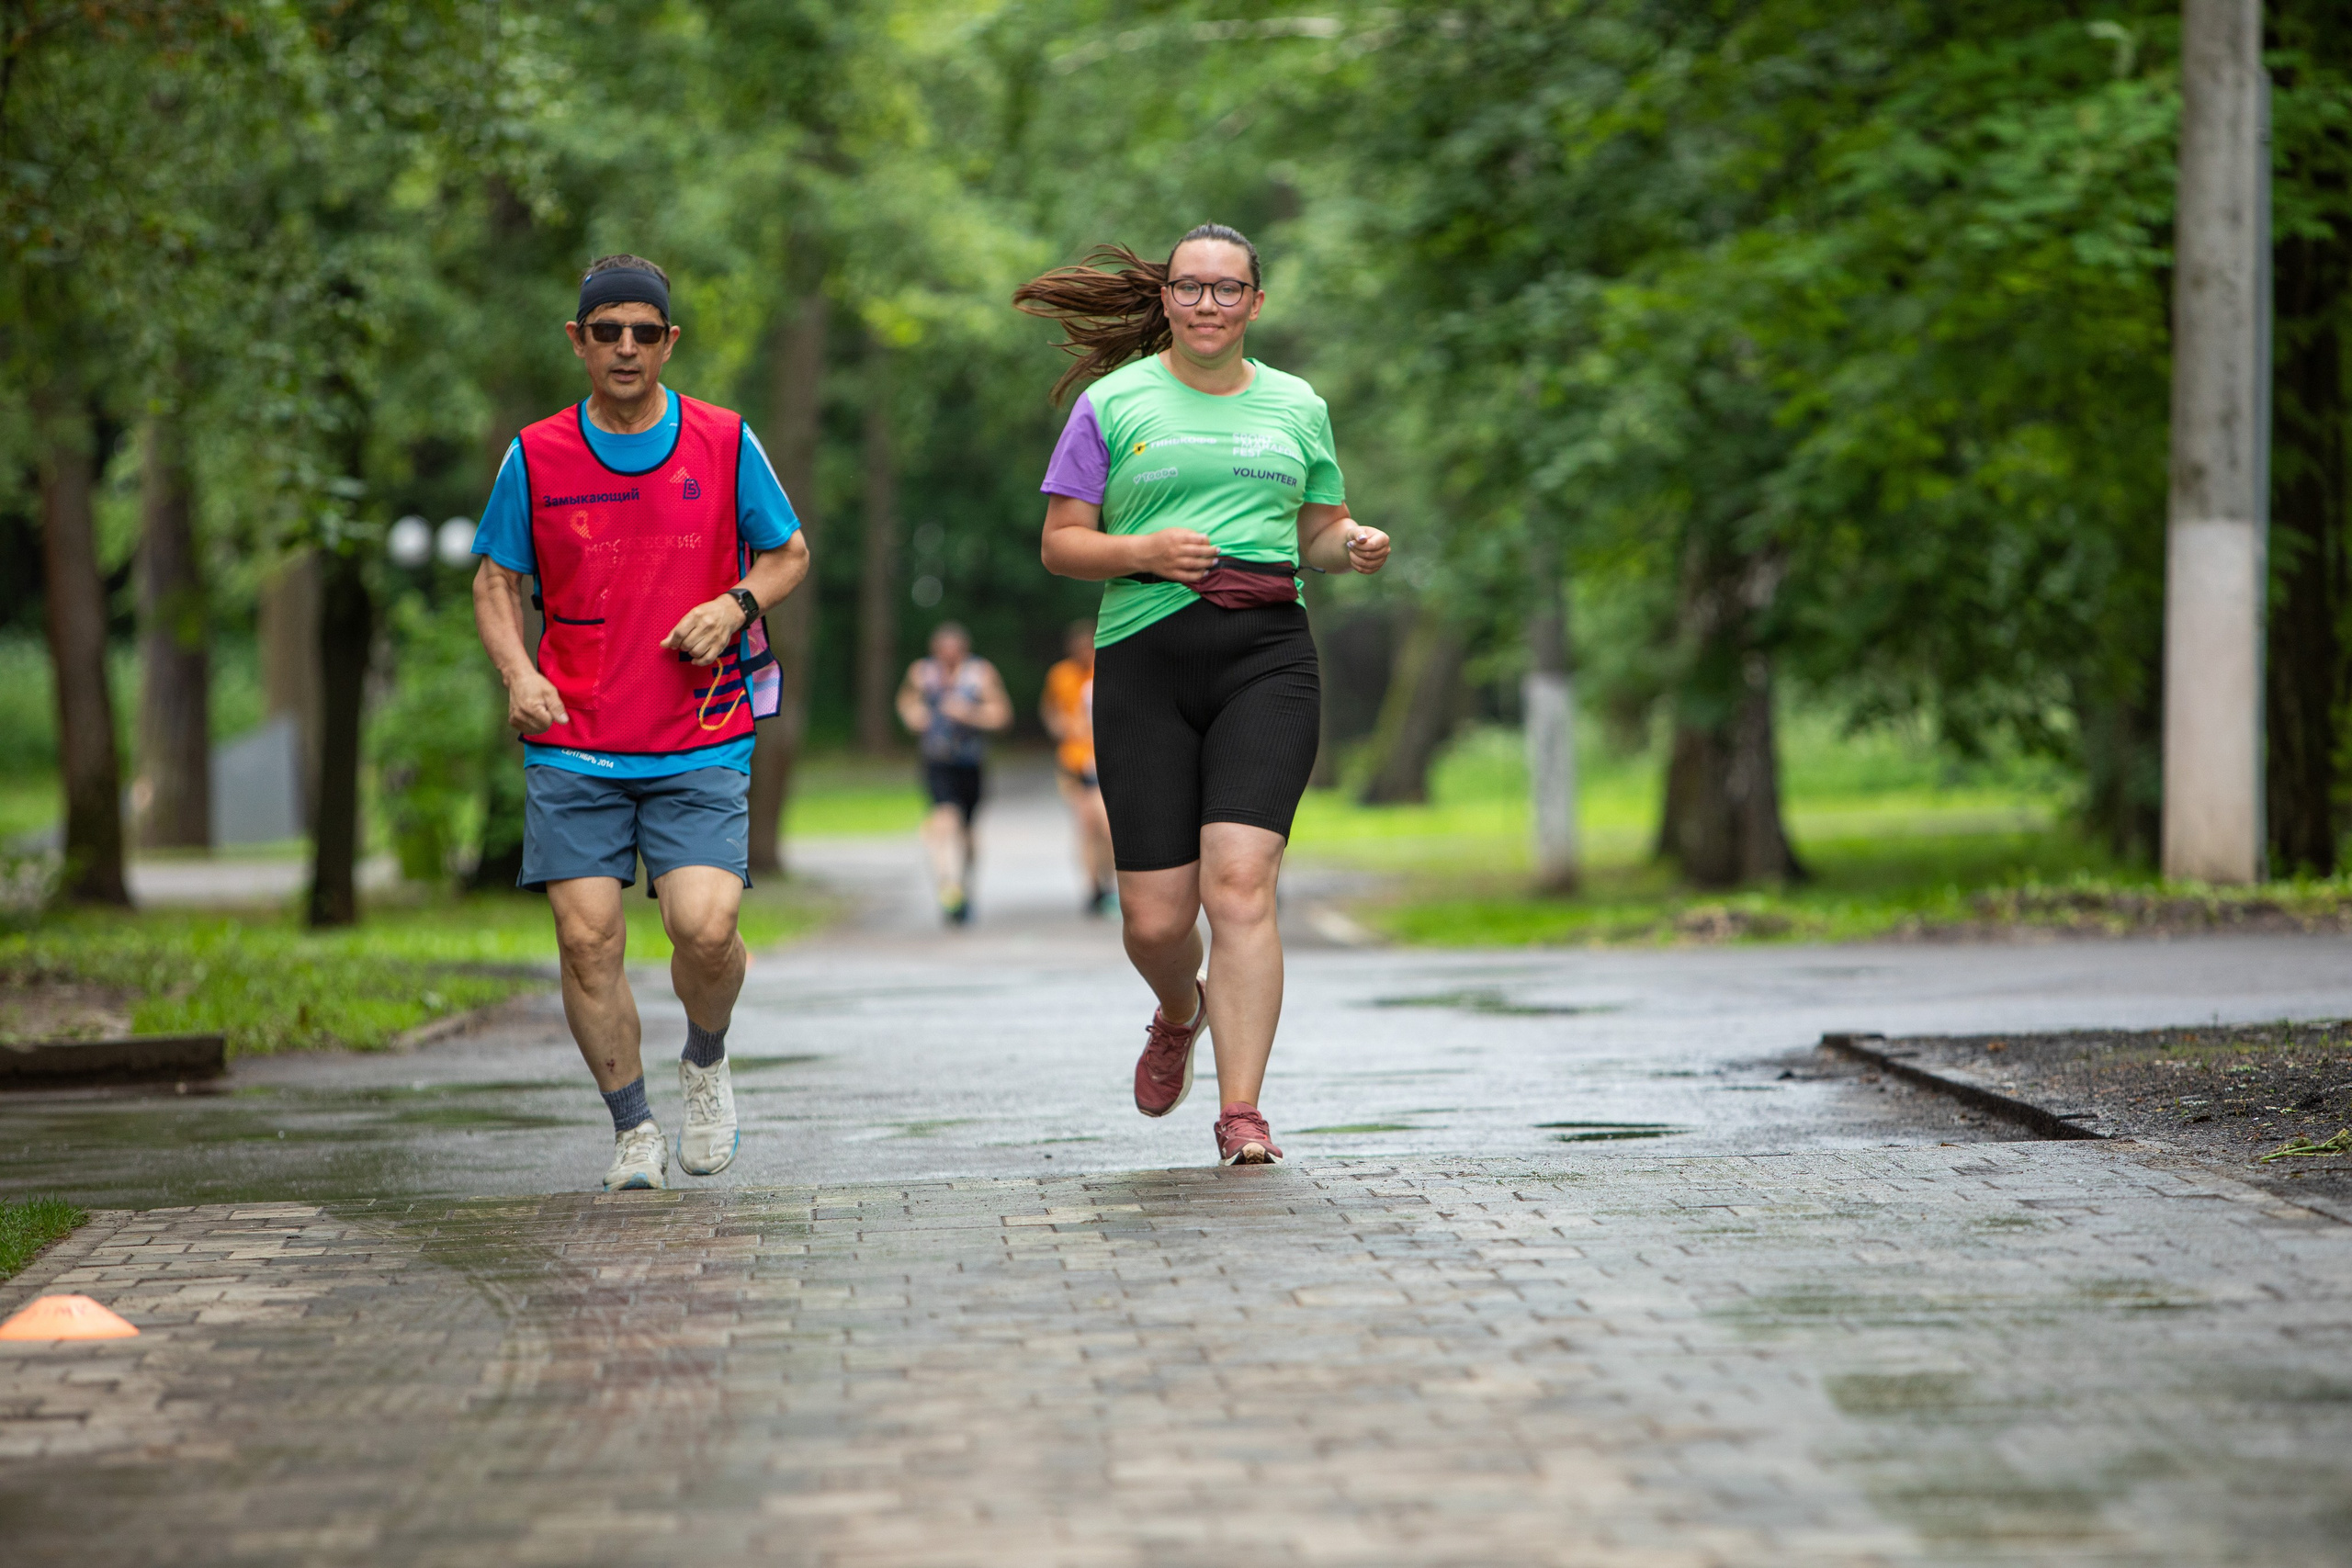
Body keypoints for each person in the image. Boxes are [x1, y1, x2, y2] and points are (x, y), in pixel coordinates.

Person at [1016, 222, 1391, 1166]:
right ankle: (1177, 1010)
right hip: (1144, 660)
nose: (1210, 304)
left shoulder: (1298, 405)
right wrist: (1142, 551)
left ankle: (1241, 1112)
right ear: (1167, 300)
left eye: (1229, 290)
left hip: (1268, 658)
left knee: (1240, 887)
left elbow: (1317, 529)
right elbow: (1063, 545)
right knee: (1154, 919)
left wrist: (1348, 546)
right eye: (1192, 288)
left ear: (1255, 304)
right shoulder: (1113, 404)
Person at [470, 254, 809, 1192]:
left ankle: (704, 1057)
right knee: (587, 940)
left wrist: (735, 603)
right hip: (575, 734)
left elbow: (788, 551)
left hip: (699, 729)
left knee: (705, 930)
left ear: (669, 343)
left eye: (644, 332)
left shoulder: (725, 440)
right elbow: (496, 581)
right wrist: (517, 672)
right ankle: (632, 1131)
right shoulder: (535, 454)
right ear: (577, 342)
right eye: (606, 331)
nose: (626, 347)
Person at [895, 622, 1012, 924]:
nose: (948, 656)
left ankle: (964, 886)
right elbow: (906, 702)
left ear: (963, 650)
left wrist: (970, 713)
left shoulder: (980, 674)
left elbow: (1002, 715)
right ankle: (949, 888)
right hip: (936, 760)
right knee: (944, 821)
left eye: (953, 651)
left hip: (971, 762)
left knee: (968, 831)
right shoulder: (922, 672)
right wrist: (913, 715)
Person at [1041, 619, 1116, 915]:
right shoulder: (1060, 675)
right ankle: (1093, 887)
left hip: (1101, 757)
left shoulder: (1107, 669)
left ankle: (1108, 881)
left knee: (1106, 825)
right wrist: (1058, 725)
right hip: (1072, 759)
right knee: (1085, 825)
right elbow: (1049, 709)